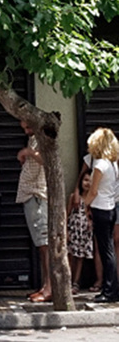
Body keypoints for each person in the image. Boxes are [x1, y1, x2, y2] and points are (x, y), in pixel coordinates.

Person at [16, 121, 51, 303]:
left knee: (44, 244)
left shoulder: (43, 138)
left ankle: (49, 287)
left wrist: (28, 153)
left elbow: (47, 159)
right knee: (41, 245)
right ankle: (46, 286)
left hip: (37, 195)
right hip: (31, 195)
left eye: (27, 125)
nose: (25, 129)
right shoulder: (33, 139)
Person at [84, 128, 119, 303]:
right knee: (109, 249)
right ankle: (111, 288)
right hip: (111, 207)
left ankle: (109, 290)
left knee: (106, 251)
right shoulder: (113, 164)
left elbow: (93, 190)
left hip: (101, 209)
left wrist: (85, 205)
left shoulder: (99, 165)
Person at [73, 154, 104, 293]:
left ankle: (102, 279)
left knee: (101, 246)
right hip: (77, 226)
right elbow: (81, 176)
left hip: (104, 203)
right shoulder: (89, 159)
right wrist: (76, 192)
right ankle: (73, 282)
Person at [67, 170, 93, 294]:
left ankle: (76, 282)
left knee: (80, 257)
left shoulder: (93, 199)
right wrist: (66, 231)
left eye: (90, 180)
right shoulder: (74, 197)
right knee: (71, 256)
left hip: (85, 232)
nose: (87, 183)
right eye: (85, 180)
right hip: (74, 229)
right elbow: (67, 214)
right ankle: (68, 281)